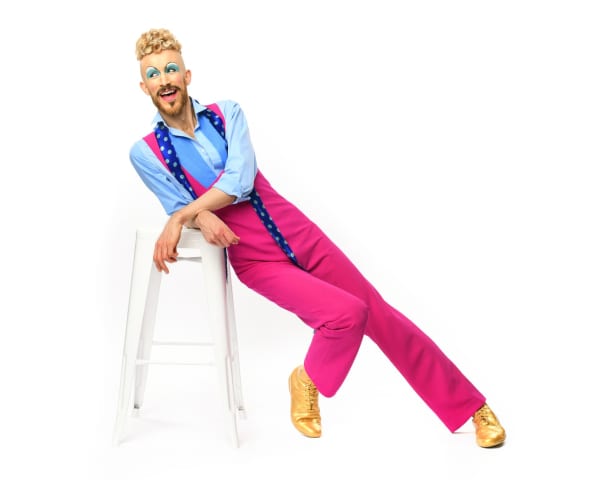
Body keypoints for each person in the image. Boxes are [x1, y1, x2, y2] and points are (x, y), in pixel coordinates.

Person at [129, 27, 506, 448]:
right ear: (144, 86)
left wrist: (188, 214)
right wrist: (193, 216)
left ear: (187, 75)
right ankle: (307, 378)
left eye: (171, 69)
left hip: (295, 230)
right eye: (154, 74)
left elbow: (240, 180)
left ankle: (473, 409)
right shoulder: (145, 153)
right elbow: (177, 202)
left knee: (379, 313)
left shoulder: (227, 113)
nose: (164, 79)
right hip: (255, 258)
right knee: (347, 314)